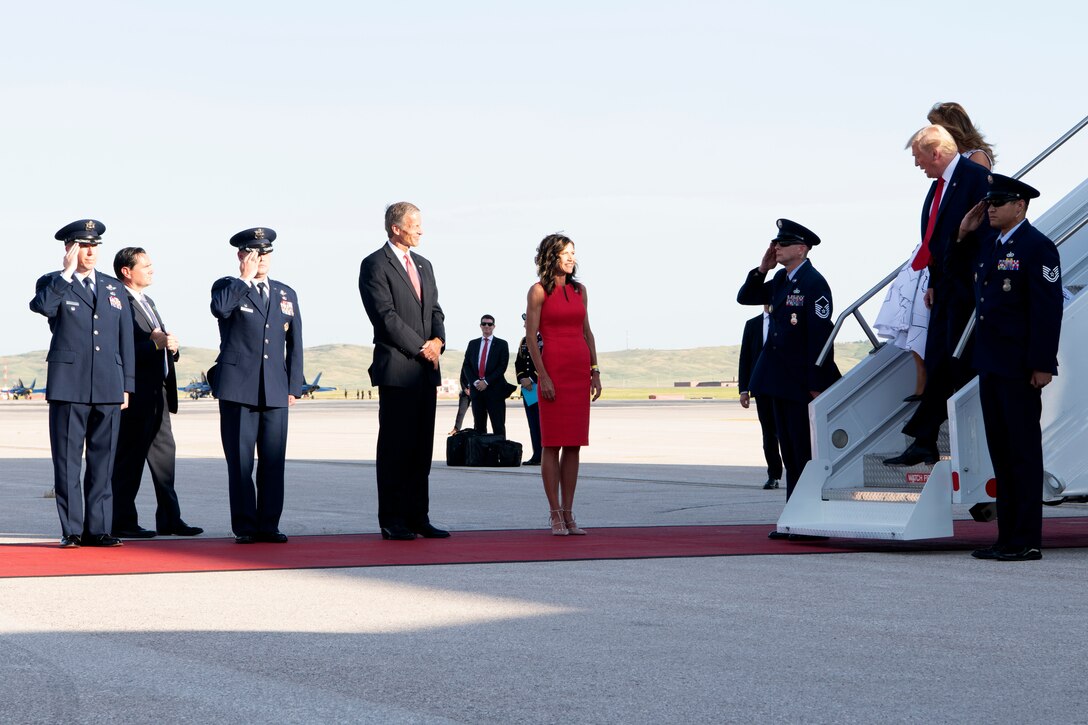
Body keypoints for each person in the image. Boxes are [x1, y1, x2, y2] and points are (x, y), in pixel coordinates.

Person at [962, 175, 1062, 561]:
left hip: (1020, 367)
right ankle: (1007, 538)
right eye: (989, 203)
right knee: (1001, 455)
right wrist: (963, 232)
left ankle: (1026, 540)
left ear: (1020, 206)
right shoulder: (990, 244)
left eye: (998, 203)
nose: (990, 209)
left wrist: (1042, 363)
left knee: (1022, 454)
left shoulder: (1037, 247)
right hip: (991, 363)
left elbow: (1047, 309)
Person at [884, 125, 993, 466]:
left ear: (935, 153)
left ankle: (936, 440)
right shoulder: (939, 186)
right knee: (938, 360)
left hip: (967, 290)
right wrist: (932, 280)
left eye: (918, 157)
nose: (917, 164)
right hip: (945, 286)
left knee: (955, 364)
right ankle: (924, 440)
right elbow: (935, 238)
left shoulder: (974, 179)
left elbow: (985, 235)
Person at [30, 219, 134, 548]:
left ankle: (98, 529)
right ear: (69, 248)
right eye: (83, 246)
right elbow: (43, 307)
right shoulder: (53, 282)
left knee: (104, 462)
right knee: (67, 461)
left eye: (94, 246)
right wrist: (66, 272)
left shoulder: (114, 287)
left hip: (108, 385)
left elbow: (125, 338)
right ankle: (72, 530)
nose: (90, 252)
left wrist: (127, 384)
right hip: (69, 385)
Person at [736, 219, 840, 539]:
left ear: (801, 249)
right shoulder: (781, 279)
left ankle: (809, 521)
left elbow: (820, 337)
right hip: (776, 380)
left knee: (803, 454)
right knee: (789, 454)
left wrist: (816, 383)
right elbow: (746, 297)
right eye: (775, 244)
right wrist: (762, 269)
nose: (777, 248)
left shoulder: (813, 283)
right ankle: (795, 518)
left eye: (783, 244)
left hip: (799, 383)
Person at [359, 202, 449, 541]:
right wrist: (422, 347)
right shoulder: (374, 264)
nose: (421, 230)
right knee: (396, 447)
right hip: (398, 369)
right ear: (396, 228)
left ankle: (418, 517)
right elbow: (385, 317)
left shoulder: (424, 265)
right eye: (415, 224)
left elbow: (435, 309)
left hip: (426, 370)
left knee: (421, 448)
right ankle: (392, 519)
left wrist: (438, 341)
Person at [209, 227, 304, 544]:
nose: (261, 258)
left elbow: (295, 342)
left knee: (274, 462)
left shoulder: (285, 293)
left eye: (266, 252)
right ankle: (246, 526)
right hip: (238, 388)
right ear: (241, 255)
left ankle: (269, 525)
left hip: (275, 388)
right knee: (241, 463)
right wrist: (244, 278)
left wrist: (293, 386)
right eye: (254, 253)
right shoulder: (228, 287)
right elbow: (220, 309)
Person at [110, 247, 203, 539]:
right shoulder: (119, 302)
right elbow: (120, 349)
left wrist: (171, 348)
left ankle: (170, 519)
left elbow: (157, 340)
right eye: (146, 266)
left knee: (164, 458)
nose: (152, 270)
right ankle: (122, 520)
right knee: (130, 459)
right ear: (126, 271)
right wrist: (154, 345)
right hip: (136, 393)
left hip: (158, 393)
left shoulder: (147, 301)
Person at [525, 233, 602, 536]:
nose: (571, 258)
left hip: (578, 370)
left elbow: (587, 332)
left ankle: (569, 513)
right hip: (553, 369)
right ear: (551, 256)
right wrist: (543, 376)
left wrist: (595, 370)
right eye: (565, 253)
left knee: (574, 444)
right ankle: (555, 513)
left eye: (573, 253)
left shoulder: (580, 290)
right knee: (551, 443)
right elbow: (531, 337)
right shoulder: (538, 291)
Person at [738, 305, 783, 490]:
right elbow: (745, 357)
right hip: (762, 388)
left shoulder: (786, 320)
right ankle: (773, 475)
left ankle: (798, 474)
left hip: (785, 387)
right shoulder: (752, 325)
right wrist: (744, 390)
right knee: (769, 434)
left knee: (789, 433)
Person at [460, 314, 517, 436]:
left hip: (495, 391)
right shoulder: (473, 344)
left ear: (494, 326)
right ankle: (480, 449)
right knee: (479, 427)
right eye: (484, 324)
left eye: (489, 324)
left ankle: (500, 449)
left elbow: (502, 367)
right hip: (477, 391)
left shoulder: (502, 344)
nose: (487, 326)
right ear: (480, 326)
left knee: (498, 426)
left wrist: (486, 382)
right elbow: (466, 365)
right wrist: (476, 382)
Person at [927, 102, 996, 170]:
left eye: (937, 128)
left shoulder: (977, 156)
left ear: (952, 127)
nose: (933, 132)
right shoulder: (950, 159)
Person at [514, 312, 543, 465]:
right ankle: (537, 454)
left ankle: (545, 455)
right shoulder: (524, 341)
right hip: (528, 389)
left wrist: (531, 378)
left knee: (542, 423)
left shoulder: (544, 340)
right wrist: (522, 378)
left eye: (527, 322)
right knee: (533, 423)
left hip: (540, 386)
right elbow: (519, 363)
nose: (524, 325)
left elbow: (546, 362)